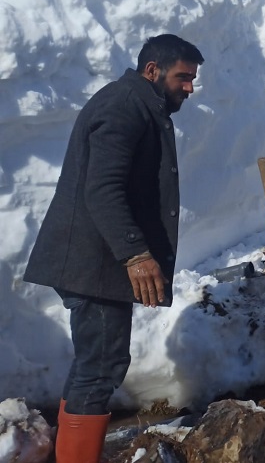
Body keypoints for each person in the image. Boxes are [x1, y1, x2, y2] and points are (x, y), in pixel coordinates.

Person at [22, 34, 204, 463]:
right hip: (93, 264)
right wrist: (136, 254)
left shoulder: (140, 103)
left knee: (95, 366)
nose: (190, 88)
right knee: (101, 366)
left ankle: (70, 453)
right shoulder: (124, 105)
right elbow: (101, 189)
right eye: (183, 77)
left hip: (97, 261)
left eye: (193, 80)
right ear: (152, 70)